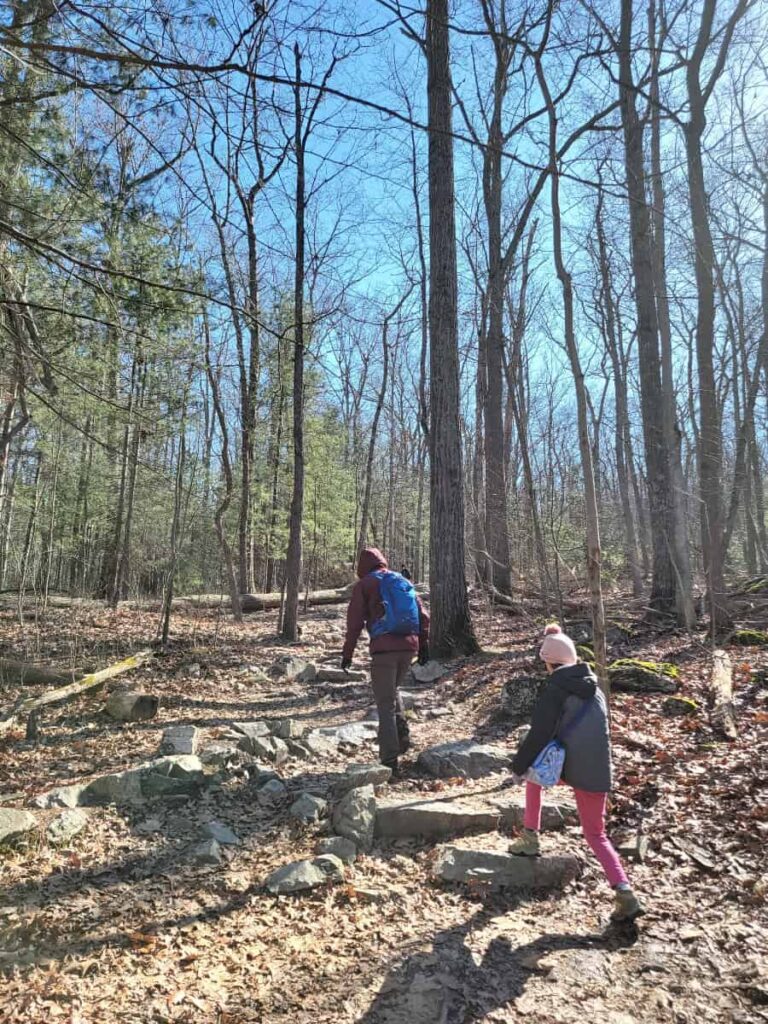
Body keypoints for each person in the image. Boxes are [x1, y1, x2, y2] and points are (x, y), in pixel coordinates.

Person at [508, 623, 645, 923]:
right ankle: (624, 891)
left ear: (548, 661)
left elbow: (539, 734)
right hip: (597, 770)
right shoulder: (594, 688)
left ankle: (531, 836)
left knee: (531, 778)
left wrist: (518, 767)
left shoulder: (556, 689)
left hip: (569, 765)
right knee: (596, 834)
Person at [341, 547, 429, 772]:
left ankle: (389, 761)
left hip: (383, 650)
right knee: (393, 690)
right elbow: (423, 615)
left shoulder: (365, 585)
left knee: (385, 704)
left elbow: (354, 623)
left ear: (362, 567)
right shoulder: (401, 580)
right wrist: (424, 645)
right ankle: (402, 737)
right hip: (409, 647)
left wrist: (347, 653)